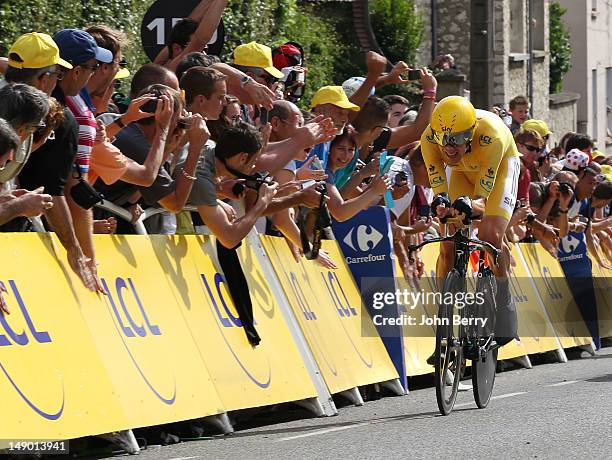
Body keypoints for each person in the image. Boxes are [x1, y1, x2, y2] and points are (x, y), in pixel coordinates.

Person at [421, 96, 556, 346]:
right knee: (448, 241)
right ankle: (445, 322)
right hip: (461, 171)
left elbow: (482, 201)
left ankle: (504, 296)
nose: (450, 148)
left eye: (459, 140)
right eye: (444, 141)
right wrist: (441, 204)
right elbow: (438, 185)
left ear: (471, 133)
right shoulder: (429, 139)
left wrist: (469, 205)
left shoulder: (490, 136)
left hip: (501, 164)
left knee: (489, 236)